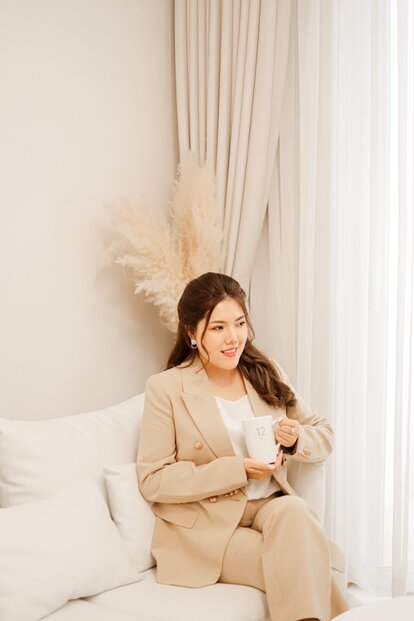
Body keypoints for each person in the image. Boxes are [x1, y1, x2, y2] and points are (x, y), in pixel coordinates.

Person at [137, 272, 349, 621]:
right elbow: (153, 479)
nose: (233, 338)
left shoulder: (265, 371)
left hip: (269, 507)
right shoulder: (166, 388)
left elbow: (323, 434)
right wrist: (237, 470)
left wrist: (297, 439)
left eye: (239, 323)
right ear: (192, 333)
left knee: (295, 511)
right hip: (209, 527)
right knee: (303, 564)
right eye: (218, 327)